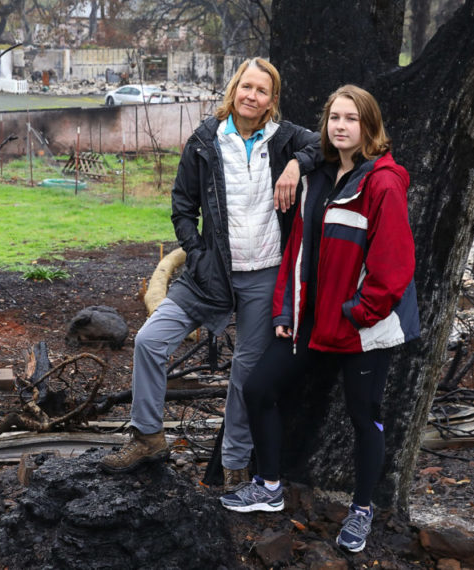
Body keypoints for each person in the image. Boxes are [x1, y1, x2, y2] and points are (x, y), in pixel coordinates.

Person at [100, 58, 321, 488]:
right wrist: (199, 255)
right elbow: (182, 206)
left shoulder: (285, 139)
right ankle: (148, 436)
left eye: (262, 91)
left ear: (272, 100)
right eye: (246, 87)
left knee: (245, 372)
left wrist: (297, 164)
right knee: (150, 340)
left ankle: (235, 464)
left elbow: (326, 143)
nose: (251, 96)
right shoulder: (205, 140)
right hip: (209, 274)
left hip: (264, 275)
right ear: (234, 89)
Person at [220, 84, 419, 555]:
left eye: (351, 119)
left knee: (364, 415)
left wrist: (357, 315)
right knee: (258, 388)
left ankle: (363, 510)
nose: (341, 126)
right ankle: (268, 487)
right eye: (334, 118)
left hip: (363, 327)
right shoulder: (320, 174)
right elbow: (298, 251)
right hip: (312, 319)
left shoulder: (383, 182)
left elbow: (394, 269)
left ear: (369, 126)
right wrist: (288, 310)